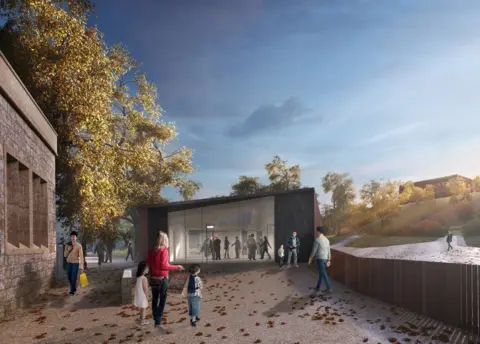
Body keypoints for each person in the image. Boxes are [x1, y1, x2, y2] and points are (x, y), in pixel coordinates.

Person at [146, 231, 184, 331]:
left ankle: (156, 319)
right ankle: (158, 322)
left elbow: (149, 264)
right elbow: (164, 266)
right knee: (162, 300)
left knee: (154, 299)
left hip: (153, 278)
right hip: (162, 279)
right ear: (165, 240)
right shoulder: (164, 250)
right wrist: (177, 267)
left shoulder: (151, 250)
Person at [308, 226, 332, 293]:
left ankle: (329, 288)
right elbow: (329, 250)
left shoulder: (317, 240)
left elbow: (314, 251)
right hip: (325, 259)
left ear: (318, 232)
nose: (316, 233)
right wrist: (329, 260)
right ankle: (318, 287)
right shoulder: (327, 240)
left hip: (319, 259)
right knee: (321, 273)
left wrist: (310, 259)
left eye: (317, 231)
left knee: (323, 274)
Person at [64, 231, 84, 296]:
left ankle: (72, 291)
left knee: (73, 277)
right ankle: (74, 287)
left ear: (76, 237)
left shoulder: (79, 245)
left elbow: (81, 256)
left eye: (74, 236)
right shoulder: (67, 244)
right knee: (69, 276)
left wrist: (81, 266)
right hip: (69, 262)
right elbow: (65, 255)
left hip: (75, 263)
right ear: (70, 237)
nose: (72, 238)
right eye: (71, 236)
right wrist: (68, 249)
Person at [134, 261, 150, 326]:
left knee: (142, 308)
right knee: (144, 309)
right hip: (143, 295)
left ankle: (141, 319)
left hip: (139, 295)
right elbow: (145, 289)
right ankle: (143, 321)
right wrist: (147, 297)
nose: (148, 269)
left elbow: (136, 287)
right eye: (147, 268)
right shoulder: (144, 278)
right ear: (143, 270)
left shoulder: (138, 278)